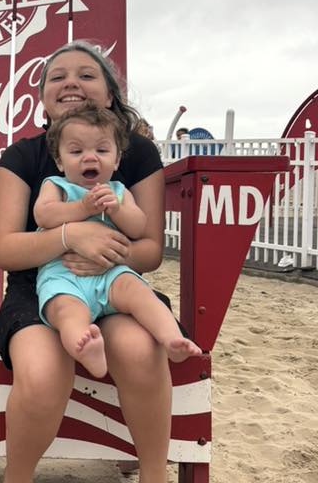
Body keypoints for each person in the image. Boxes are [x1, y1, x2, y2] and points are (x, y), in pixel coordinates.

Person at [0, 41, 177, 483]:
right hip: (41, 286)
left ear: (111, 95)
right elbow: (8, 249)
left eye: (87, 75)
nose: (71, 82)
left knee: (140, 350)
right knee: (44, 368)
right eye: (57, 77)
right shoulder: (26, 158)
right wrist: (73, 239)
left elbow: (149, 250)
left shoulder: (136, 154)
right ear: (43, 101)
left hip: (116, 280)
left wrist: (105, 252)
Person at [34, 104, 200, 379]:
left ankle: (170, 337)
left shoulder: (118, 191)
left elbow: (139, 225)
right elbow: (43, 214)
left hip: (111, 273)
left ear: (117, 159)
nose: (90, 158)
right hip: (64, 273)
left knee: (138, 292)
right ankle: (85, 345)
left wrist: (118, 209)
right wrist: (82, 208)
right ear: (60, 160)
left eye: (101, 150)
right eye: (76, 151)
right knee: (65, 311)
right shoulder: (56, 185)